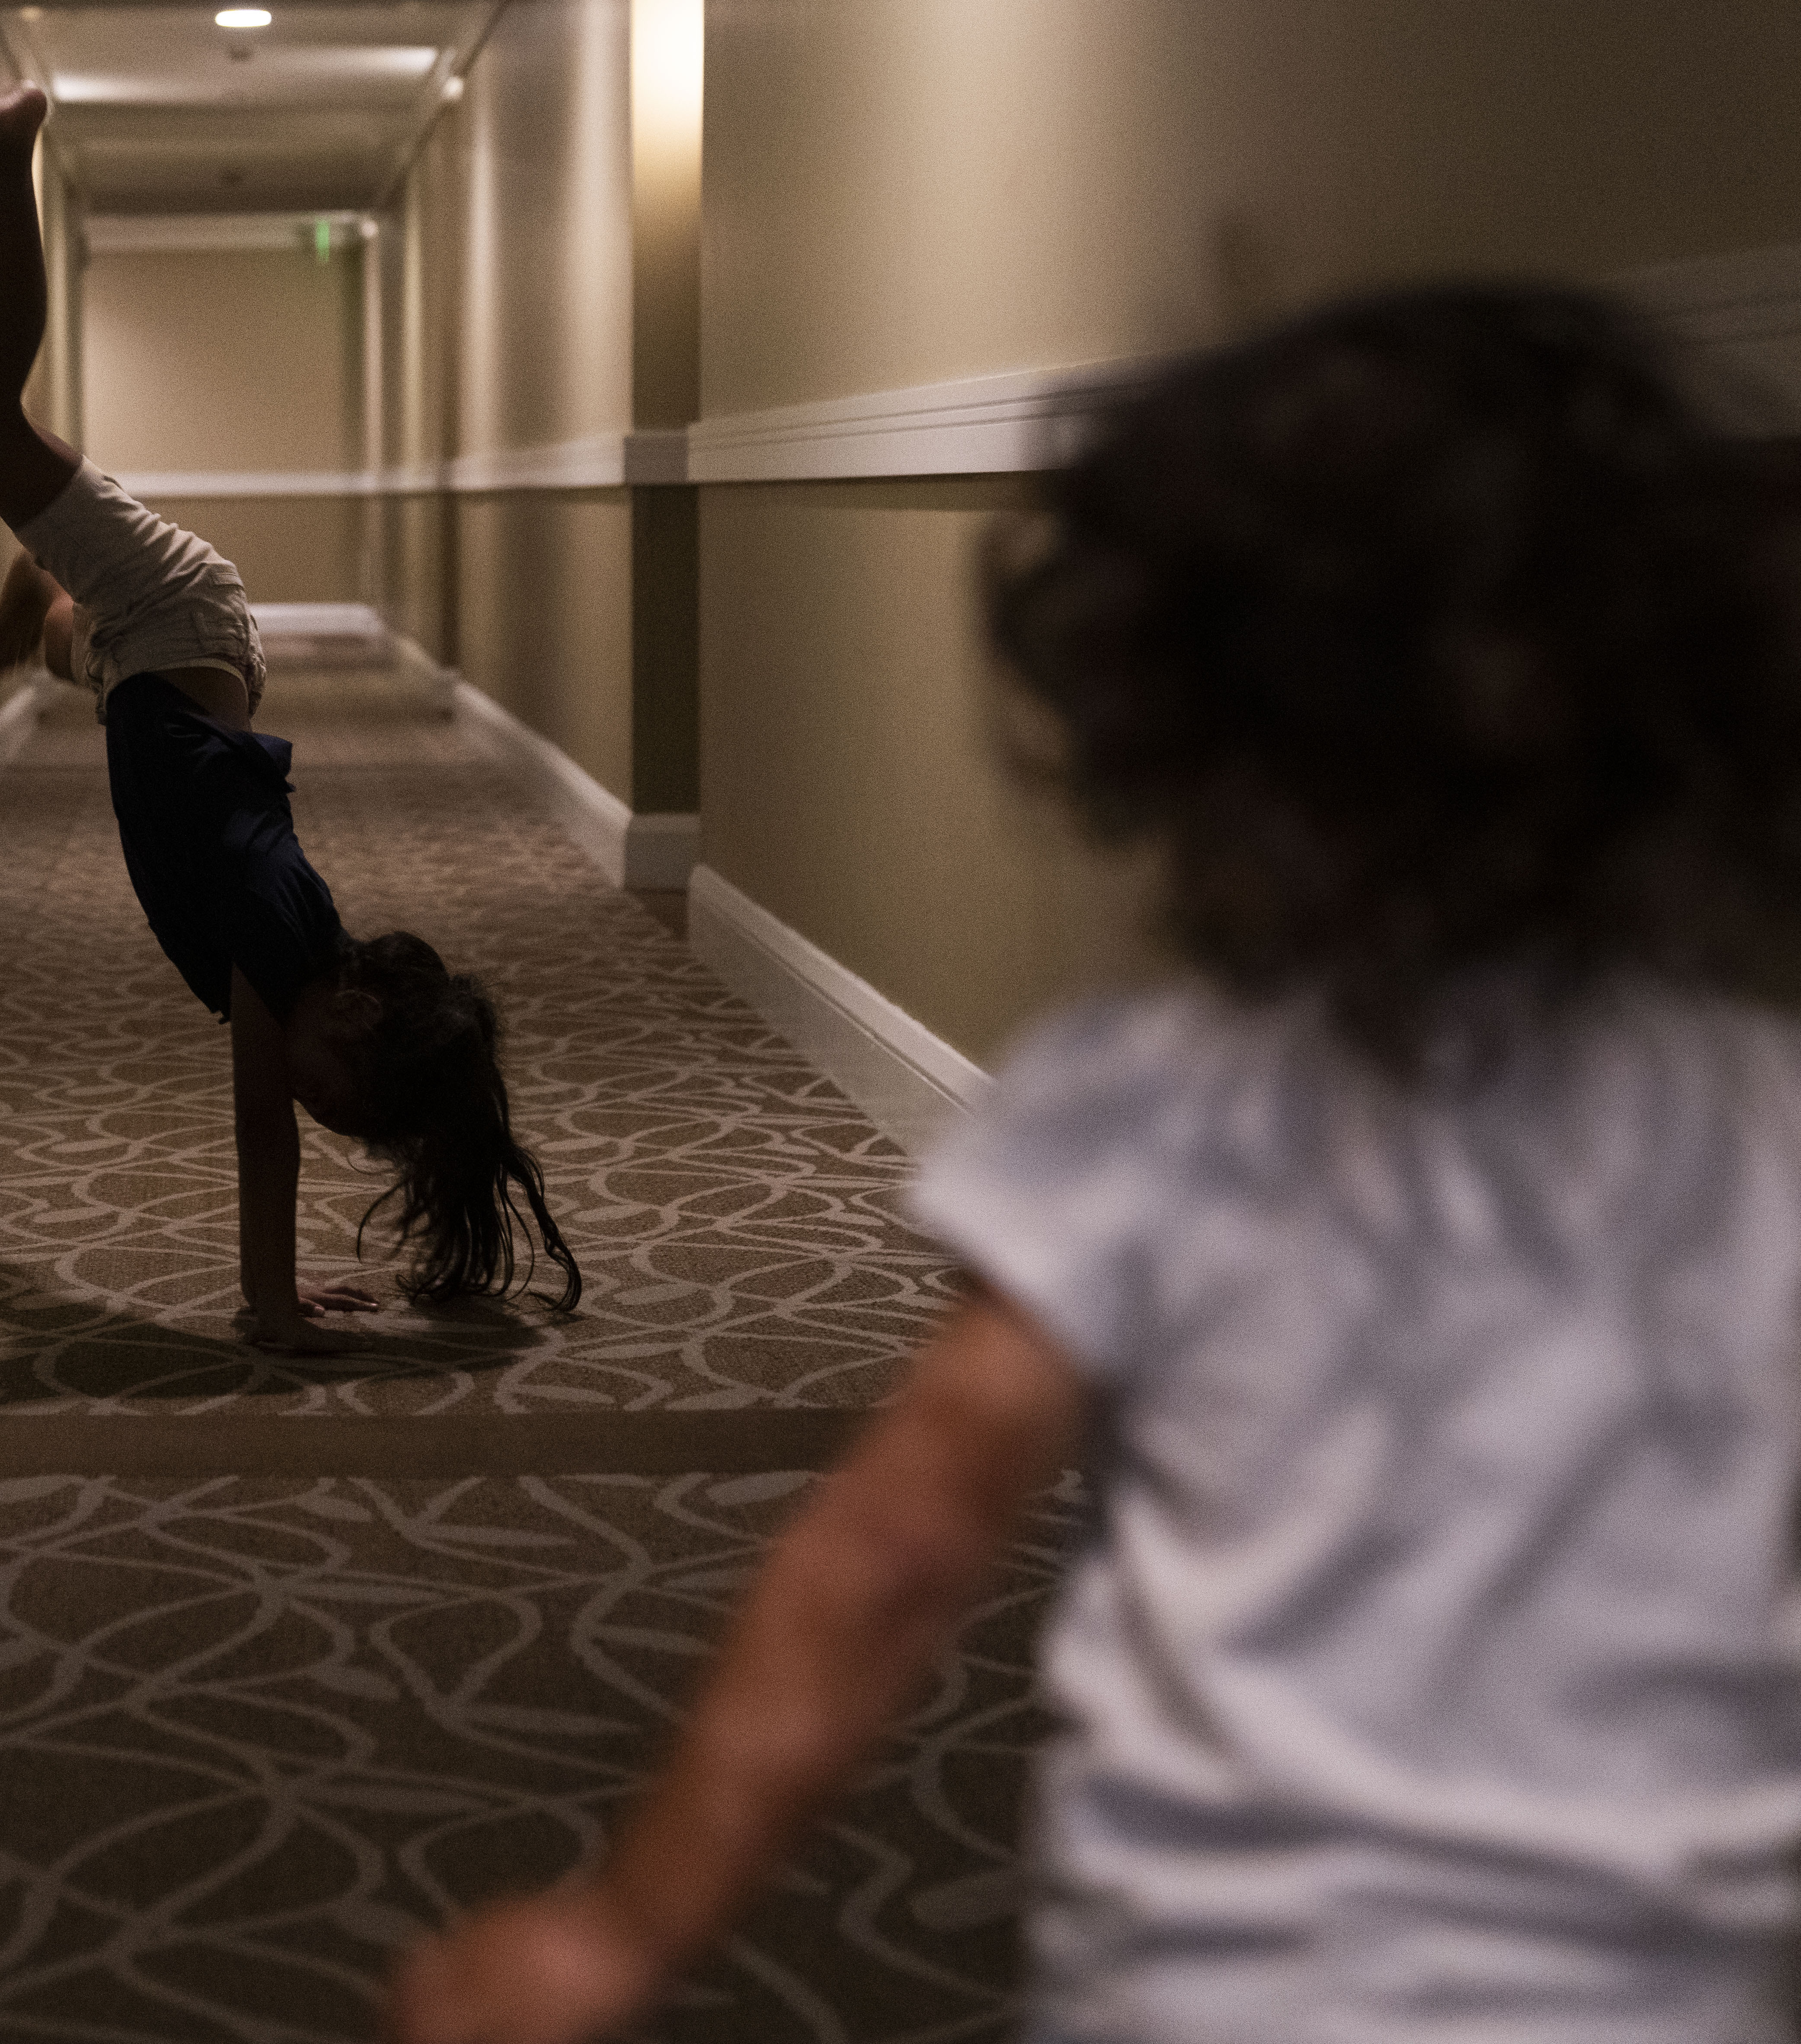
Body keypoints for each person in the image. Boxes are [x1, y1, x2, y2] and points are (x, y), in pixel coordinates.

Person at [388, 283, 1801, 2043]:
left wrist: (621, 1930)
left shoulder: (1153, 1110)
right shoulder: (1765, 1118)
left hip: (1227, 1985)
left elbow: (896, 1552)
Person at [0, 85, 578, 1353]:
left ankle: (49, 583)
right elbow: (259, 1125)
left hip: (164, 668)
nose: (310, 1106)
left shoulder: (300, 964)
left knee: (58, 650)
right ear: (352, 1017)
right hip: (179, 619)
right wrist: (267, 1306)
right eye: (337, 1096)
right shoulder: (273, 938)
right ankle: (5, 148)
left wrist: (283, 1279)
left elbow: (278, 1107)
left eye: (337, 1118)